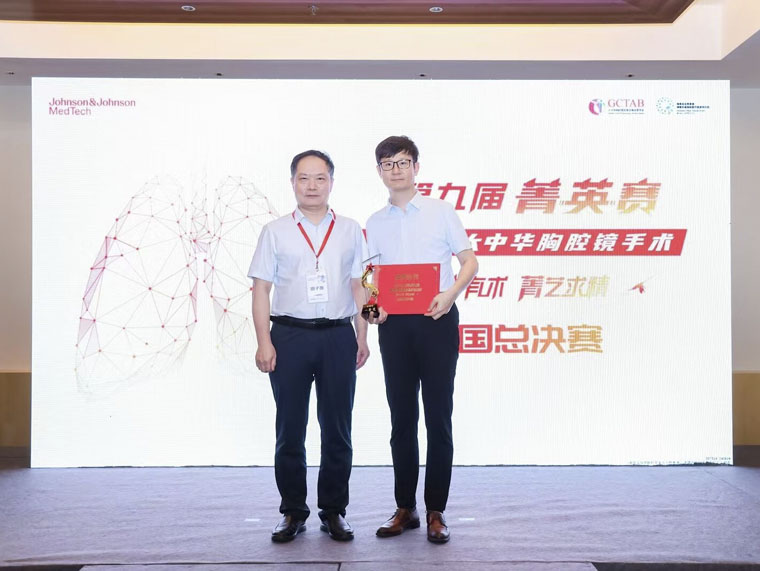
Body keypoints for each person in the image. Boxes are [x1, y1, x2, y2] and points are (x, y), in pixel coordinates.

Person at [248, 150, 369, 543]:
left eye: (320, 178)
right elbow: (261, 289)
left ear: (331, 182)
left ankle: (334, 511)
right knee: (290, 429)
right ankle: (292, 512)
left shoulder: (350, 230)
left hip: (337, 336)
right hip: (289, 336)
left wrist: (362, 336)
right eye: (304, 178)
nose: (312, 186)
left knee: (338, 429)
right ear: (293, 183)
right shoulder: (275, 231)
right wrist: (264, 341)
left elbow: (361, 285)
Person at [365, 136, 478, 544]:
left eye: (403, 162)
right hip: (394, 327)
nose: (396, 170)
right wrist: (372, 306)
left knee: (438, 417)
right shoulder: (375, 222)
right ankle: (405, 508)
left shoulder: (441, 211)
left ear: (416, 167)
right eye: (388, 164)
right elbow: (370, 276)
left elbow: (469, 261)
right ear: (379, 171)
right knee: (401, 419)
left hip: (437, 321)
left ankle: (436, 510)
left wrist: (450, 295)